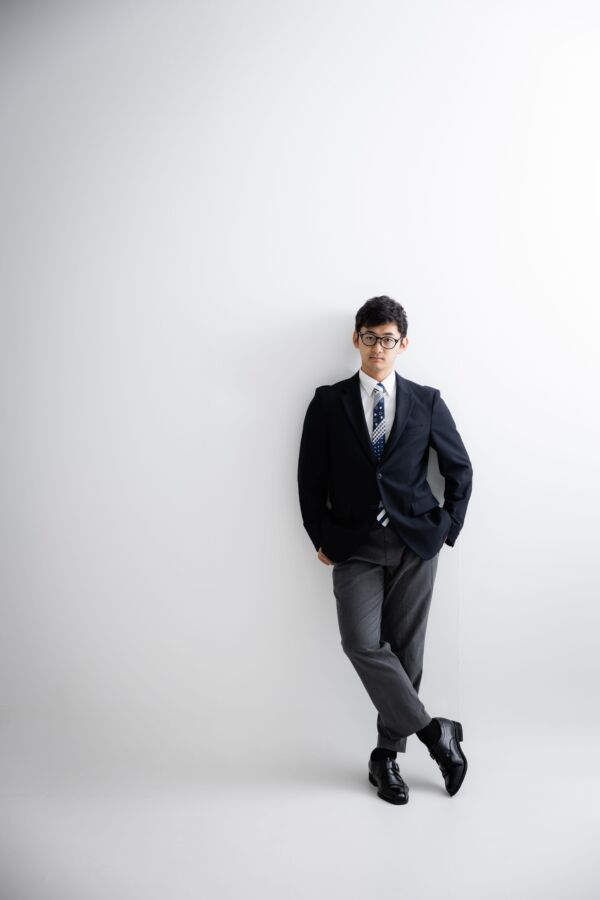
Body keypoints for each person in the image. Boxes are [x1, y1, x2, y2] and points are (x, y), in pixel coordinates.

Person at [297, 295, 473, 805]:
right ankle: (436, 734)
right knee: (361, 642)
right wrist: (319, 536)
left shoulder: (426, 401)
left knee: (407, 653)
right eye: (370, 337)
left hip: (416, 543)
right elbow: (310, 477)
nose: (379, 347)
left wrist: (446, 528)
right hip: (352, 544)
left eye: (388, 339)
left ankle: (386, 759)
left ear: (403, 344)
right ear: (357, 339)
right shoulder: (328, 402)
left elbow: (459, 469)